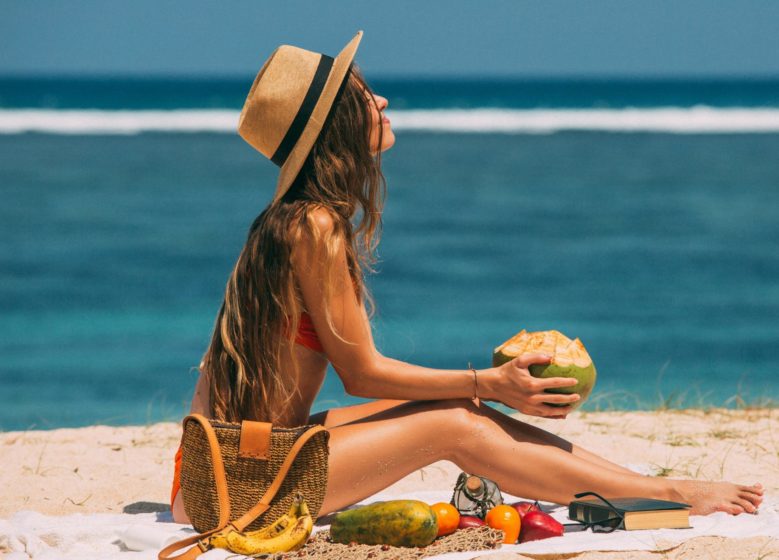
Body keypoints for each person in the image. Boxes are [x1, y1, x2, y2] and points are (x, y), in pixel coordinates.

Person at [171, 31, 762, 524]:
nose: (382, 102)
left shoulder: (291, 221)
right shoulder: (315, 227)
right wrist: (491, 381)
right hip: (241, 483)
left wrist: (482, 385)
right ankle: (668, 497)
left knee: (460, 404)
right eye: (364, 96)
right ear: (337, 127)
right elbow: (362, 374)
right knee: (458, 423)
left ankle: (647, 488)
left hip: (230, 462)